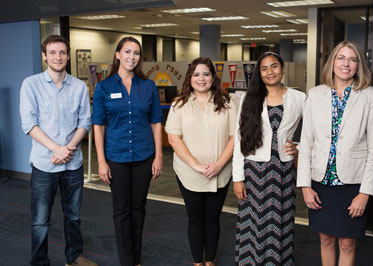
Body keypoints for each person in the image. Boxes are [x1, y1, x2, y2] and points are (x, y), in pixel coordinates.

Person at [297, 41, 373, 266]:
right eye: (341, 58)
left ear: (358, 65)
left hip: (353, 184)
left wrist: (365, 193)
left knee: (347, 243)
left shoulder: (369, 96)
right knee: (325, 240)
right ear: (332, 62)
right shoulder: (315, 94)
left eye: (352, 59)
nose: (346, 64)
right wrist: (305, 186)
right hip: (320, 183)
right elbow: (306, 143)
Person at [19, 35, 96, 266]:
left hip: (73, 164)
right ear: (44, 55)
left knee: (73, 216)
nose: (58, 57)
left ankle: (74, 257)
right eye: (52, 52)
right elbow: (29, 124)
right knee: (41, 220)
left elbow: (85, 122)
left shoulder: (79, 86)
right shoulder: (30, 84)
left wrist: (68, 149)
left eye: (62, 52)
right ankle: (40, 261)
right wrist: (56, 149)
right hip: (44, 163)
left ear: (68, 55)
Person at [92, 36, 163, 266]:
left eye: (136, 53)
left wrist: (159, 156)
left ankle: (137, 257)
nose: (132, 57)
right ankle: (126, 260)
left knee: (139, 208)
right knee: (121, 210)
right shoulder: (104, 87)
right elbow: (98, 126)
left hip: (144, 156)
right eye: (128, 52)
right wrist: (101, 162)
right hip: (116, 158)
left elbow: (155, 123)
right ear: (118, 54)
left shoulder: (148, 86)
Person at [233, 52, 306, 266]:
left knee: (280, 222)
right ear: (259, 72)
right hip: (254, 171)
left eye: (274, 66)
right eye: (264, 68)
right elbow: (239, 139)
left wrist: (298, 148)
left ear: (282, 69)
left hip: (283, 171)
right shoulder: (249, 97)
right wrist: (238, 178)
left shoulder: (298, 98)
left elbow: (314, 133)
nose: (270, 72)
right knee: (252, 223)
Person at [165, 57, 238, 266]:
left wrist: (218, 165)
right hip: (188, 173)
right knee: (195, 220)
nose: (201, 78)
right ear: (190, 77)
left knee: (213, 219)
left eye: (206, 74)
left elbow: (235, 138)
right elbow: (173, 138)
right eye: (196, 74)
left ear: (213, 77)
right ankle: (198, 262)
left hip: (221, 171)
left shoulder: (228, 102)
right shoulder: (179, 104)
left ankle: (210, 261)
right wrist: (196, 165)